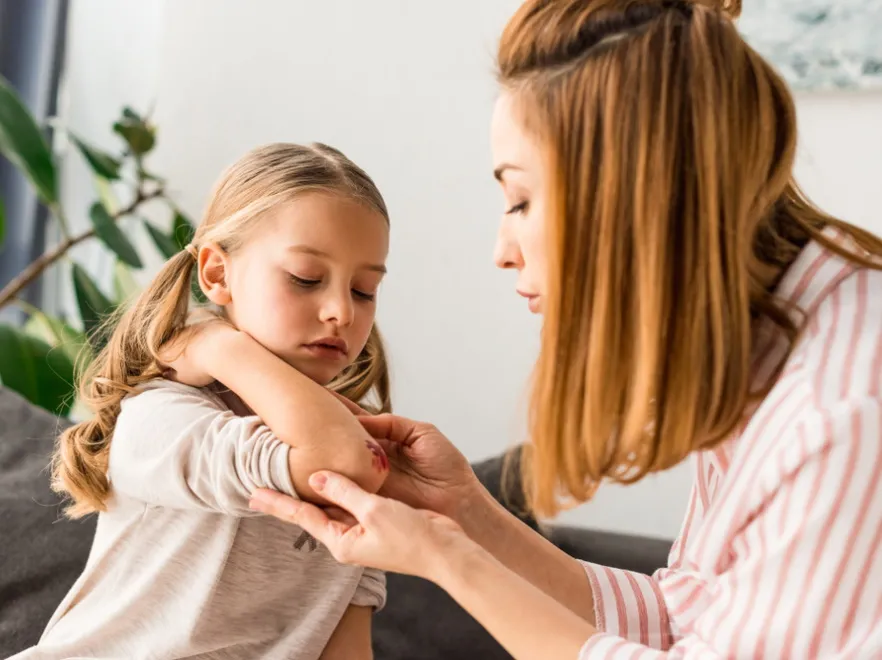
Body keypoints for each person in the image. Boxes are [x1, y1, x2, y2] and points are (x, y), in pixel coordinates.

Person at [248, 1, 882, 658]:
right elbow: (688, 617)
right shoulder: (773, 350)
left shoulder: (841, 407)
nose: (502, 250)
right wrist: (464, 512)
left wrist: (446, 559)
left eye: (520, 201)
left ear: (629, 198)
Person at [15, 143, 393, 659]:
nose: (341, 312)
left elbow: (345, 648)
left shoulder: (361, 452)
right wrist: (218, 346)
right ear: (216, 274)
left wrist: (213, 344)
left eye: (364, 290)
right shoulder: (162, 416)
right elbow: (340, 461)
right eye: (305, 278)